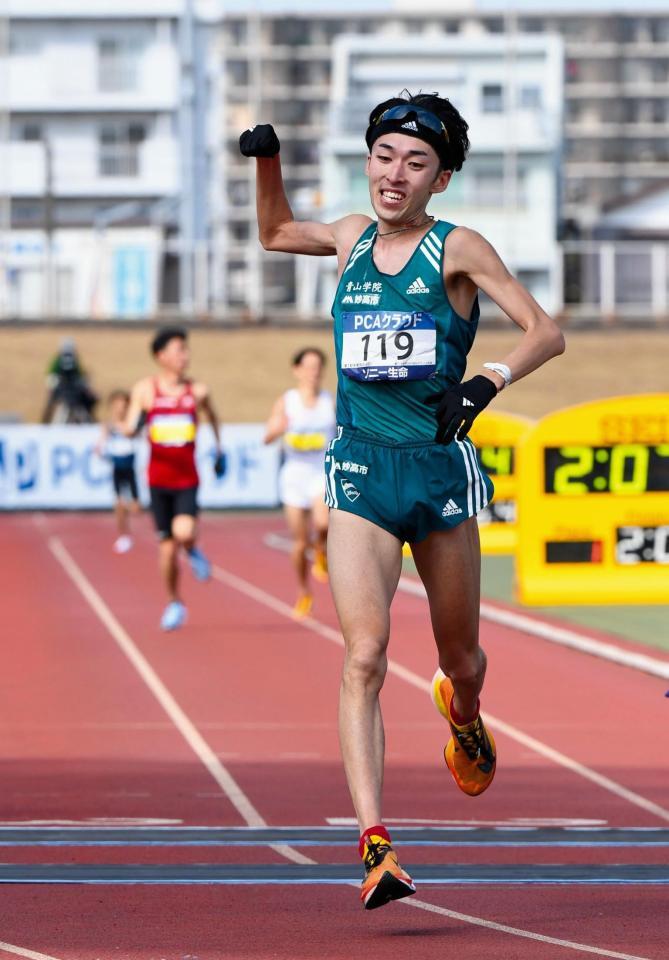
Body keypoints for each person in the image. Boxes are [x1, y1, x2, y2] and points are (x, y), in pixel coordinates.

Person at [240, 89, 565, 910]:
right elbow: (276, 231)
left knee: (462, 661)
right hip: (359, 472)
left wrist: (487, 382)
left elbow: (543, 330)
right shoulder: (348, 236)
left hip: (436, 473)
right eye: (384, 156)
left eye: (415, 163)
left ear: (440, 179)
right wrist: (266, 162)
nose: (394, 173)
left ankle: (463, 714)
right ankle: (374, 844)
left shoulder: (457, 250)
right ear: (369, 162)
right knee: (363, 654)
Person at [125, 326, 225, 631]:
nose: (185, 356)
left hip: (186, 479)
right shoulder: (145, 389)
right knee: (166, 551)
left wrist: (219, 448)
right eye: (179, 350)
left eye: (186, 349)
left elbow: (212, 416)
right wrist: (136, 422)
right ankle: (174, 602)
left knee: (183, 532)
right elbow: (130, 426)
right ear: (161, 356)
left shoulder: (197, 391)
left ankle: (192, 547)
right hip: (158, 481)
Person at [264, 347, 336, 619]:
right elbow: (267, 437)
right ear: (297, 370)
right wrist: (278, 428)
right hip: (294, 476)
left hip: (319, 473)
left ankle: (321, 553)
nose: (313, 372)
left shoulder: (329, 402)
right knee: (298, 543)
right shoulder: (287, 401)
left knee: (323, 524)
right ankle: (303, 591)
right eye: (307, 366)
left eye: (317, 367)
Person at [96, 389, 140, 554]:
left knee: (136, 507)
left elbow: (138, 437)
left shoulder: (131, 425)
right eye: (116, 405)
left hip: (131, 467)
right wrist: (100, 449)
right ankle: (124, 535)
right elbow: (101, 443)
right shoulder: (108, 425)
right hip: (117, 467)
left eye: (123, 405)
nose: (120, 409)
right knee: (118, 504)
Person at [42, 337, 98, 424]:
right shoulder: (58, 360)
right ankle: (45, 422)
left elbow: (79, 374)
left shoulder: (73, 360)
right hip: (62, 388)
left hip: (74, 390)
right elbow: (51, 375)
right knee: (52, 406)